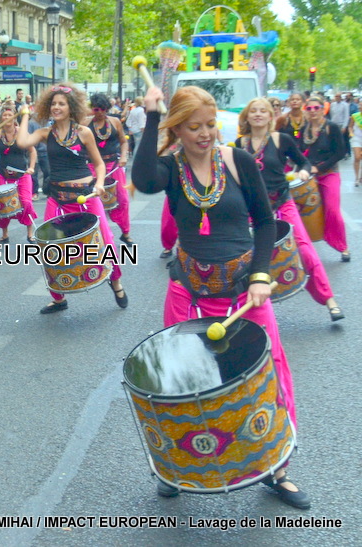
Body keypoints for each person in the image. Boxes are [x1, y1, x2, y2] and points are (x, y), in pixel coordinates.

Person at [133, 85, 309, 510]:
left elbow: (264, 222)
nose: (205, 134)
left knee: (268, 372)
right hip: (189, 290)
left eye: (210, 125)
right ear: (178, 128)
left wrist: (261, 275)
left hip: (244, 290)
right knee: (180, 380)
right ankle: (175, 470)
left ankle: (277, 468)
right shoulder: (169, 168)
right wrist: (152, 115)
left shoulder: (238, 161)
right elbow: (142, 180)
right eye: (194, 127)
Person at [16, 84, 127, 314]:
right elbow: (22, 142)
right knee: (49, 247)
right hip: (57, 198)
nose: (56, 107)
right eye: (53, 104)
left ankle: (116, 283)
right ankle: (58, 299)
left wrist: (99, 183)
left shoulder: (84, 132)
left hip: (86, 196)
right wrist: (25, 115)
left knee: (105, 241)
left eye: (61, 104)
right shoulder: (46, 133)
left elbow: (99, 164)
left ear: (71, 107)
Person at [237, 97, 344, 321]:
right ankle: (248, 312)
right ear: (247, 116)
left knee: (305, 250)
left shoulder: (281, 140)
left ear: (270, 116)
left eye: (263, 111)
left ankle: (329, 300)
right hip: (252, 208)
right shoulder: (239, 145)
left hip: (282, 203)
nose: (258, 114)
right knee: (244, 256)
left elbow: (303, 162)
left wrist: (303, 170)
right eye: (253, 110)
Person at [299, 96, 350, 262]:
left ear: (323, 109)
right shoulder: (304, 129)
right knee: (305, 212)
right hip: (309, 177)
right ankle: (305, 249)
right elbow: (300, 152)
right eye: (309, 108)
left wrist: (319, 168)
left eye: (316, 108)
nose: (313, 111)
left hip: (329, 174)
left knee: (333, 210)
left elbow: (340, 153)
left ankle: (343, 246)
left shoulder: (331, 127)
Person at [0, 104, 37, 243]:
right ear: (1, 118)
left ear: (14, 118)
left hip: (22, 174)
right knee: (2, 205)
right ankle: (5, 235)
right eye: (4, 115)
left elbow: (32, 151)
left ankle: (30, 234)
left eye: (9, 115)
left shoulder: (22, 133)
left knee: (26, 203)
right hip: (3, 174)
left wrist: (31, 167)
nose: (7, 117)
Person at [87, 93, 133, 245]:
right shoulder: (85, 123)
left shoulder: (115, 122)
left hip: (114, 165)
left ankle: (125, 232)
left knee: (123, 199)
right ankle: (100, 235)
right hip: (92, 167)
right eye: (96, 109)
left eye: (103, 109)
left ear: (107, 109)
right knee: (95, 202)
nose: (100, 112)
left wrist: (124, 156)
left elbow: (123, 142)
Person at [351, 102, 362, 186]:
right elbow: (350, 126)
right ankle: (356, 178)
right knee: (357, 157)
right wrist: (351, 133)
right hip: (357, 139)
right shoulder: (355, 116)